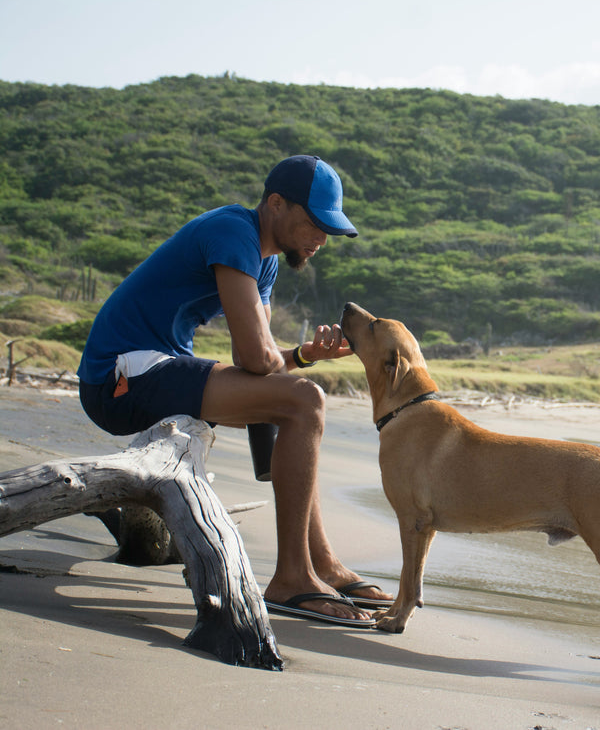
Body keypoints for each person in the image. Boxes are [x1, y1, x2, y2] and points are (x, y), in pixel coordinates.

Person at [77, 155, 389, 626]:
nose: (321, 239)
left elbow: (260, 359)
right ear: (276, 204)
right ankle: (292, 577)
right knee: (305, 400)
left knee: (293, 396)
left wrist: (304, 355)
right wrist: (286, 367)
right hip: (116, 377)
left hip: (154, 369)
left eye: (329, 230)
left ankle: (320, 564)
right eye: (314, 223)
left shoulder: (263, 261)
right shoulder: (232, 231)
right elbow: (255, 357)